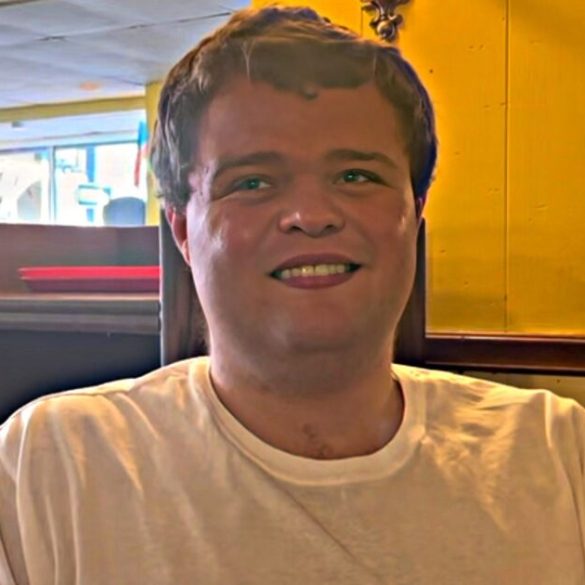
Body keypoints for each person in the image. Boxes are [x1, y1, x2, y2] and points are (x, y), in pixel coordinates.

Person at [1, 5, 584, 584]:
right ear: (181, 230)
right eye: (252, 182)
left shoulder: (558, 451)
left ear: (415, 211)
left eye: (356, 176)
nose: (311, 215)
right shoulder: (49, 465)